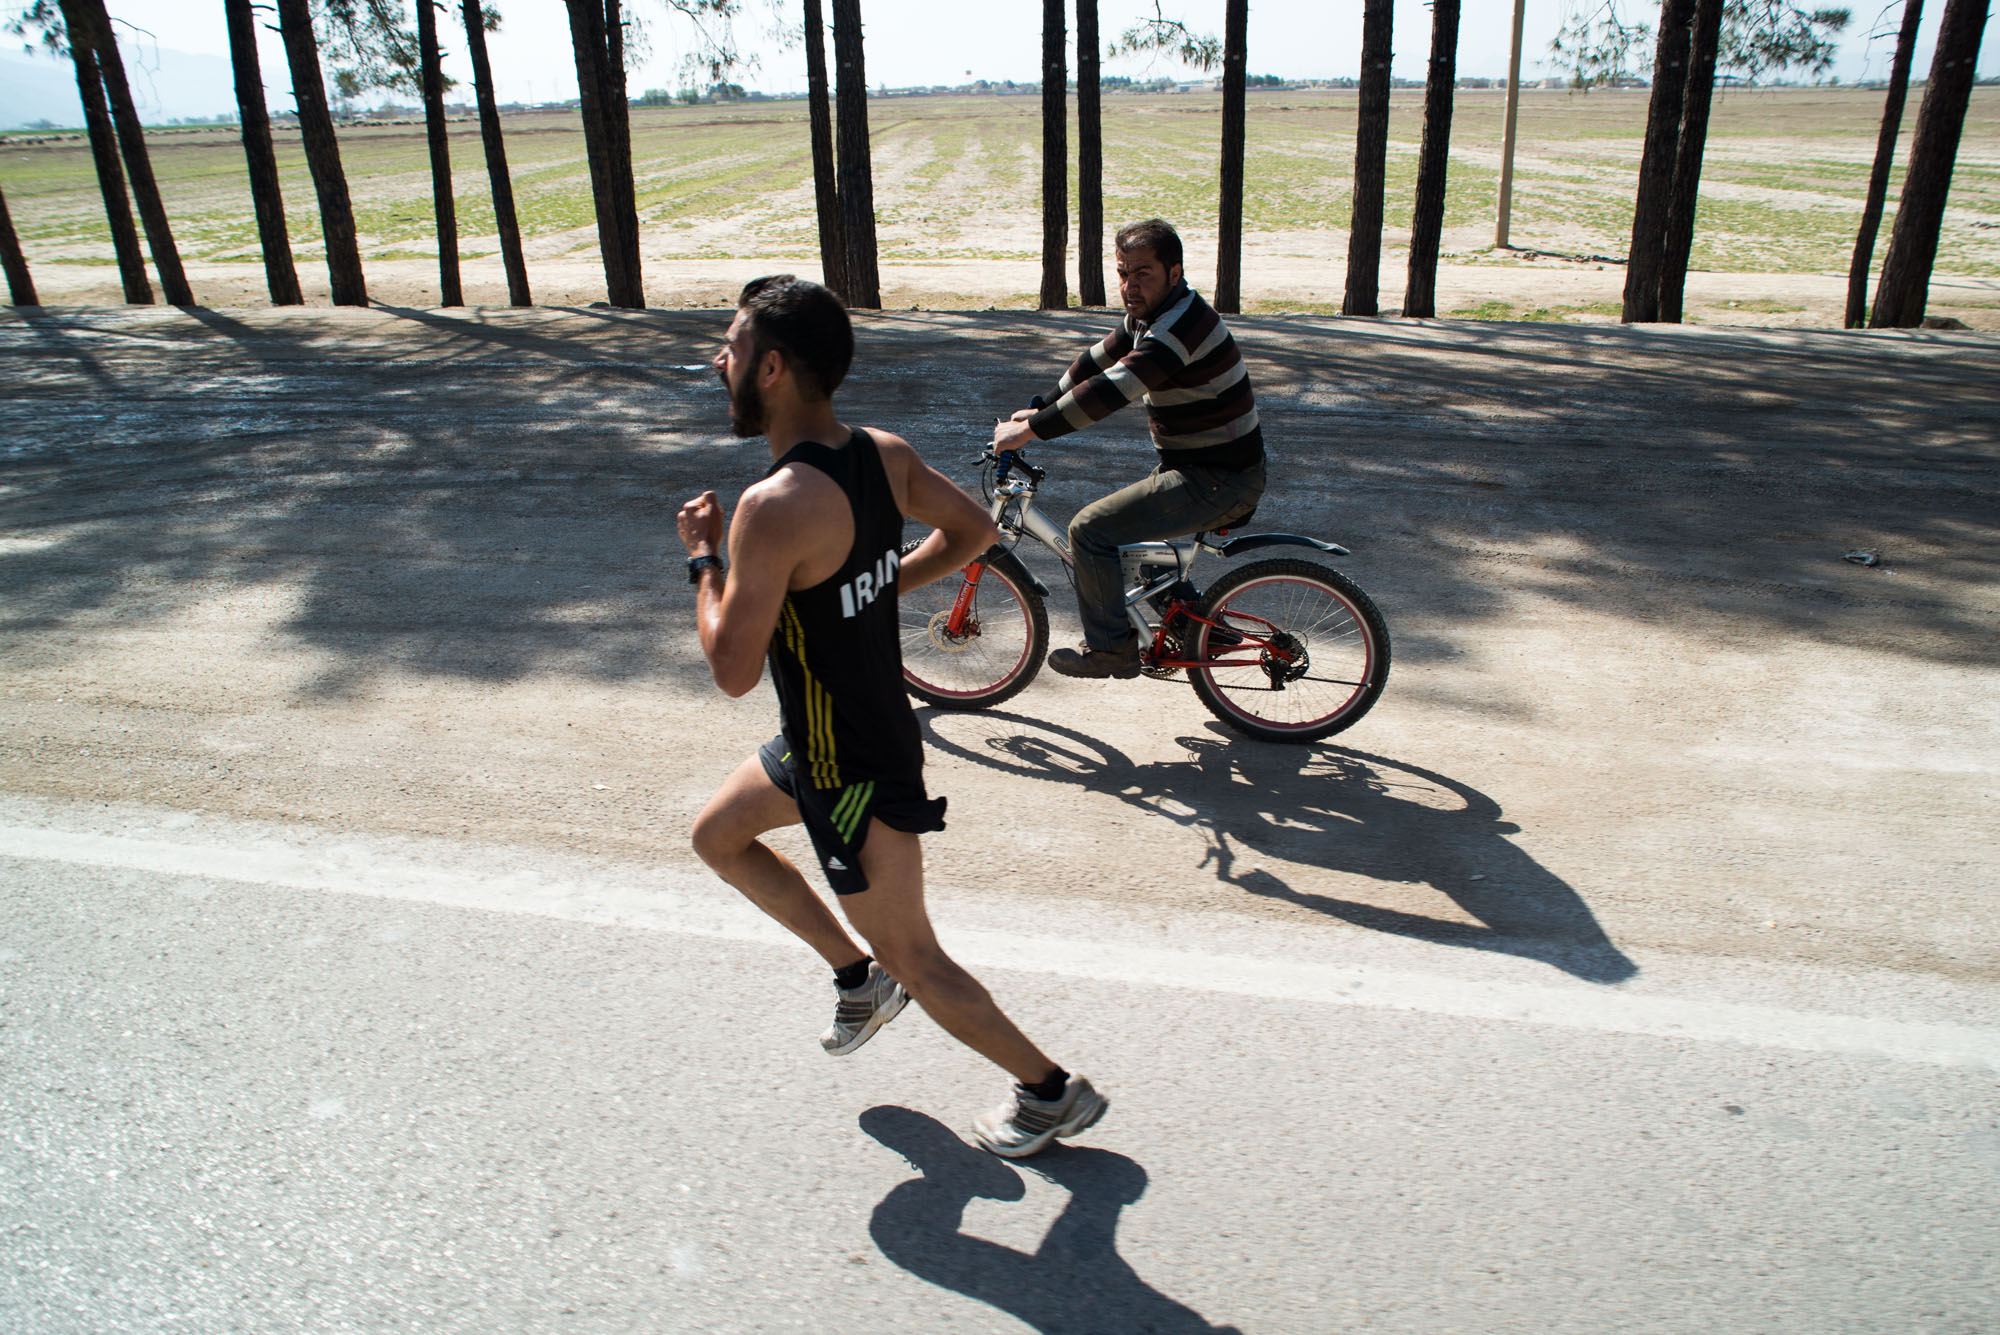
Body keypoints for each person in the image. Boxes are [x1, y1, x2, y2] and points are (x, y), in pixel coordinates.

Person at [679, 275, 1107, 1158]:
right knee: (719, 835)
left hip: (850, 770)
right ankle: (853, 976)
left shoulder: (769, 508)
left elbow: (731, 667)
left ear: (773, 368)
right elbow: (973, 533)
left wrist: (703, 563)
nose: (718, 361)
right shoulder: (883, 452)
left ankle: (1050, 1090)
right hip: (822, 739)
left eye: (730, 347)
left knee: (918, 956)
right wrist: (866, 594)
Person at [991, 218, 1266, 679]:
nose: (1129, 285)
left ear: (1174, 273)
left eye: (1143, 273)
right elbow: (1096, 363)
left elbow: (1115, 388)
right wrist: (1038, 407)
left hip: (1218, 478)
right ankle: (1204, 630)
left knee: (1091, 530)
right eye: (1122, 273)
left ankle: (1111, 651)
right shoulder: (1154, 315)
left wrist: (1032, 432)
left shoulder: (1179, 327)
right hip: (1200, 467)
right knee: (1135, 544)